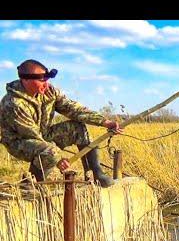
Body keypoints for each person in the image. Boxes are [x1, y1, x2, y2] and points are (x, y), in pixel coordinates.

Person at [0, 59, 124, 187]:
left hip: (43, 135)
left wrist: (105, 122)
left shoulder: (49, 92)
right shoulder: (13, 103)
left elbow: (73, 109)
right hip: (20, 142)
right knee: (50, 152)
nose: (46, 85)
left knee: (78, 128)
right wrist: (58, 159)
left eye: (47, 80)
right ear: (25, 80)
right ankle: (30, 185)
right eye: (42, 80)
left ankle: (96, 174)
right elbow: (31, 135)